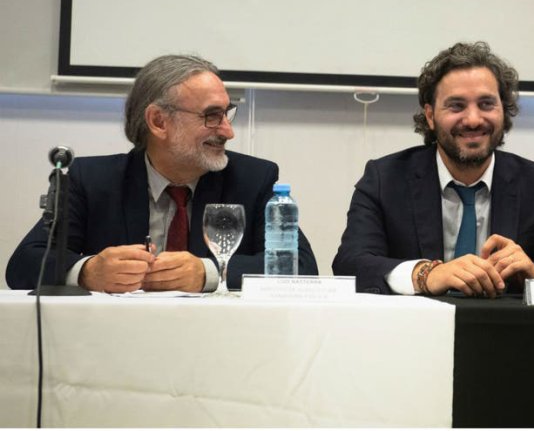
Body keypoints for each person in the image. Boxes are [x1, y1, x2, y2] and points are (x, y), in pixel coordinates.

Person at [6, 54, 317, 293]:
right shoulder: (92, 180)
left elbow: (301, 267)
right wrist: (87, 271)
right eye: (211, 116)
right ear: (158, 122)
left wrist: (208, 273)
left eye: (226, 113)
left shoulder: (252, 179)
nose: (228, 131)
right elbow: (23, 264)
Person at [332, 41, 534, 296]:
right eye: (456, 105)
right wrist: (426, 275)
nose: (473, 119)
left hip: (510, 335)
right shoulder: (384, 179)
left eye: (486, 104)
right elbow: (349, 263)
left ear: (504, 111)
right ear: (431, 115)